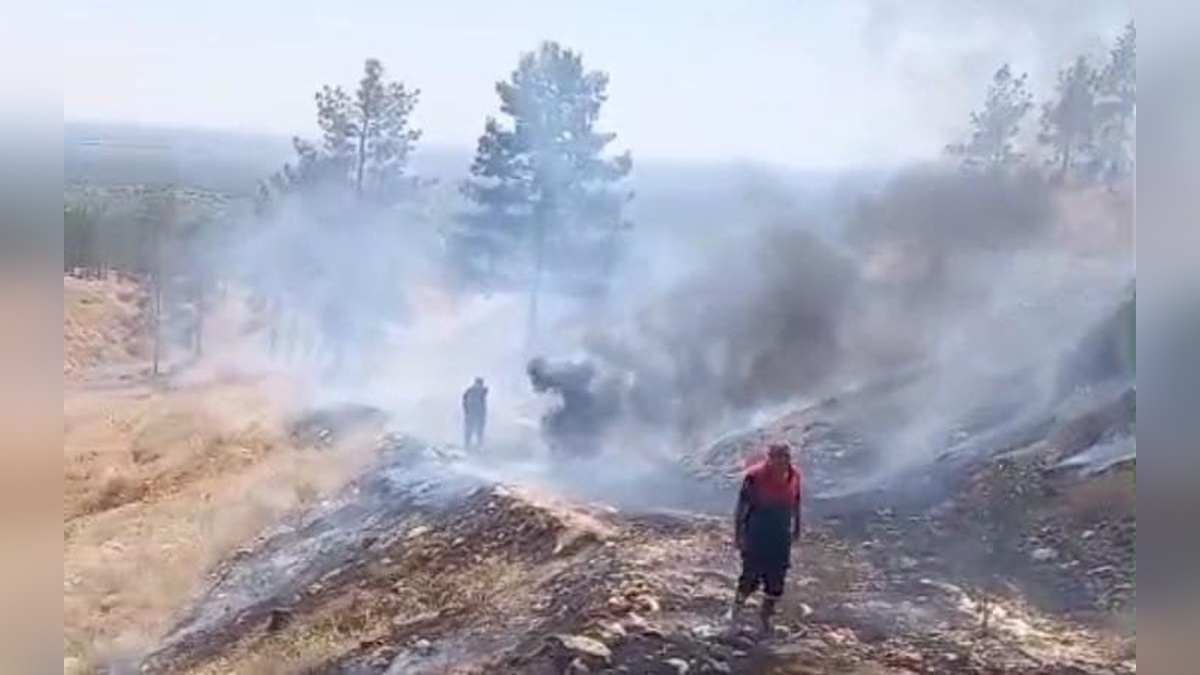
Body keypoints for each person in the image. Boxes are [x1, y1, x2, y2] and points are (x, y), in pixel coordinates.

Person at [731, 441, 802, 634]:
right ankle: (735, 611)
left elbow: (796, 502)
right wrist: (739, 535)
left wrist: (797, 527)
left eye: (785, 456)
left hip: (780, 535)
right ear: (769, 458)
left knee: (777, 580)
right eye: (776, 456)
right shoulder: (754, 478)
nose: (781, 461)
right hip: (757, 533)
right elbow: (741, 508)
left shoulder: (794, 476)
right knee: (750, 577)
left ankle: (765, 618)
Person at [461, 377, 488, 450]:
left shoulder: (482, 392)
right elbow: (465, 402)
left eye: (480, 384)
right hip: (471, 414)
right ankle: (467, 445)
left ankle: (479, 445)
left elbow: (483, 404)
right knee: (469, 430)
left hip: (479, 414)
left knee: (479, 430)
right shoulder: (470, 391)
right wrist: (467, 410)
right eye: (478, 383)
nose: (479, 385)